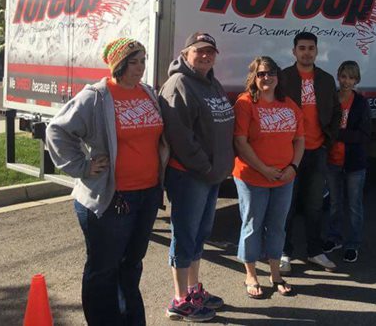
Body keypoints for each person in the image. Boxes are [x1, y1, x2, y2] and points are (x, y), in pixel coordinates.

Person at [46, 38, 167, 325]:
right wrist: (82, 166)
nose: (140, 67)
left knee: (131, 265)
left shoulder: (147, 93)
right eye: (133, 61)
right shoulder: (97, 97)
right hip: (112, 197)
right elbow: (57, 131)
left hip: (147, 194)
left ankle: (131, 319)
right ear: (118, 64)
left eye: (143, 60)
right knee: (104, 269)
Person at [158, 32, 235, 322]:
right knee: (185, 236)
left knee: (200, 235)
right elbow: (181, 137)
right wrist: (206, 167)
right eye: (199, 51)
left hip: (211, 175)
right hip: (190, 176)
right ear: (185, 53)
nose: (205, 56)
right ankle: (180, 300)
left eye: (210, 51)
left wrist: (221, 166)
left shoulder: (211, 83)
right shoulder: (179, 84)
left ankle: (193, 290)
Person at [233, 56, 305, 299]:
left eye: (271, 73)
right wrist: (263, 169)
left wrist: (293, 167)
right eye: (261, 73)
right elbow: (240, 142)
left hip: (285, 177)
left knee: (277, 225)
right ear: (254, 77)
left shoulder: (289, 104)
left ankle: (275, 274)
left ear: (278, 77)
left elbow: (300, 139)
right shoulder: (245, 103)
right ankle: (251, 274)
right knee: (252, 225)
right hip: (252, 177)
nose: (266, 78)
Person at [280, 32, 341, 273]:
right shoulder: (283, 78)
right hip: (289, 152)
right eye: (302, 48)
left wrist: (329, 138)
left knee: (315, 206)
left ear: (317, 51)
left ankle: (315, 251)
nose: (307, 52)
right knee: (288, 205)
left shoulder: (325, 79)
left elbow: (336, 112)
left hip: (317, 151)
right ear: (293, 51)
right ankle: (284, 251)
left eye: (311, 48)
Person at [322, 61, 372, 263]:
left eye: (351, 77)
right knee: (334, 204)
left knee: (354, 205)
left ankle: (353, 243)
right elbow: (323, 124)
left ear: (357, 80)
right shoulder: (331, 98)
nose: (347, 81)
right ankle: (334, 238)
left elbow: (364, 134)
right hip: (332, 160)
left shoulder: (361, 103)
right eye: (344, 76)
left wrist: (337, 134)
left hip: (354, 163)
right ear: (338, 76)